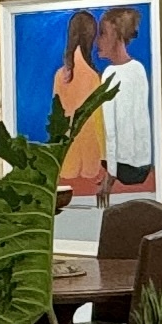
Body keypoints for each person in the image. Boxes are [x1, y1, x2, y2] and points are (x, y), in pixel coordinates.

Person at [95, 7, 157, 192]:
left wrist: (110, 175)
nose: (98, 41)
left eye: (103, 33)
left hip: (122, 170)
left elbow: (111, 130)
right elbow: (141, 124)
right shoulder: (138, 69)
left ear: (117, 36)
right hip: (142, 167)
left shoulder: (110, 74)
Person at [49, 13, 111, 195]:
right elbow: (98, 123)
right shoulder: (93, 77)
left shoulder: (59, 76)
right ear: (91, 37)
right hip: (90, 162)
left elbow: (55, 120)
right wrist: (105, 159)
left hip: (66, 161)